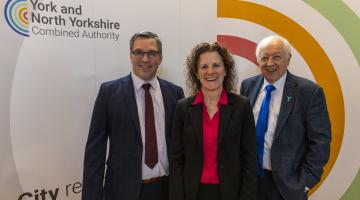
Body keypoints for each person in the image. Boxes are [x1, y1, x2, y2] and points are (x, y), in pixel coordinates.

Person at [82, 31, 184, 200]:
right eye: (138, 52)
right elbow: (95, 151)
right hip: (123, 191)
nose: (145, 59)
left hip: (167, 190)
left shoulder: (175, 93)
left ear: (160, 57)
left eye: (152, 53)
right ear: (130, 56)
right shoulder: (109, 93)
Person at [240, 35, 332, 200]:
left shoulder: (309, 92)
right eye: (264, 58)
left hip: (287, 187)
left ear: (288, 59)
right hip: (250, 183)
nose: (270, 63)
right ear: (257, 61)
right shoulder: (248, 86)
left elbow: (321, 142)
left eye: (276, 57)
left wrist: (304, 183)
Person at [170, 42, 257, 200]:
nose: (210, 71)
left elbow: (249, 159)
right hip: (192, 193)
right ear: (196, 73)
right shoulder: (183, 108)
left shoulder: (241, 106)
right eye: (204, 67)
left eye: (216, 65)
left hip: (231, 193)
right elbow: (176, 159)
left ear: (225, 71)